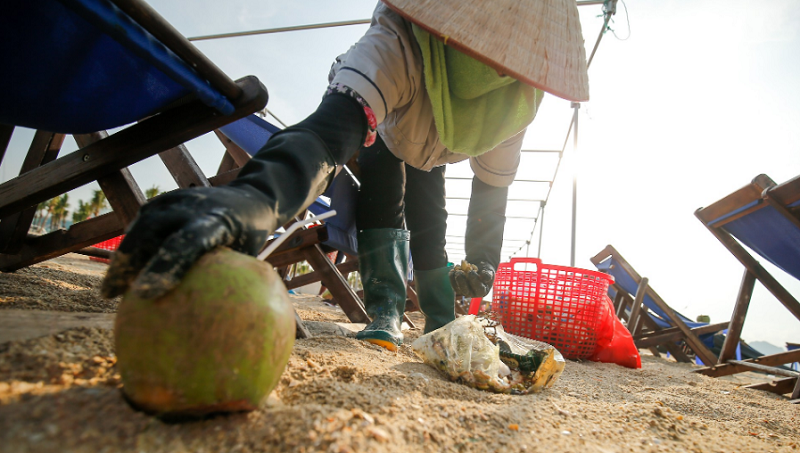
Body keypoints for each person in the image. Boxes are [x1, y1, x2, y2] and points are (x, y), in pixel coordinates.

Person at [101, 0, 589, 352]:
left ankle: (441, 322)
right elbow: (333, 134)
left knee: (429, 216)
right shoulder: (403, 37)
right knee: (383, 197)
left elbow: (491, 193)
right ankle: (386, 311)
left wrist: (484, 260)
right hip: (386, 122)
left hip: (438, 151)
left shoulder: (515, 103)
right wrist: (256, 199)